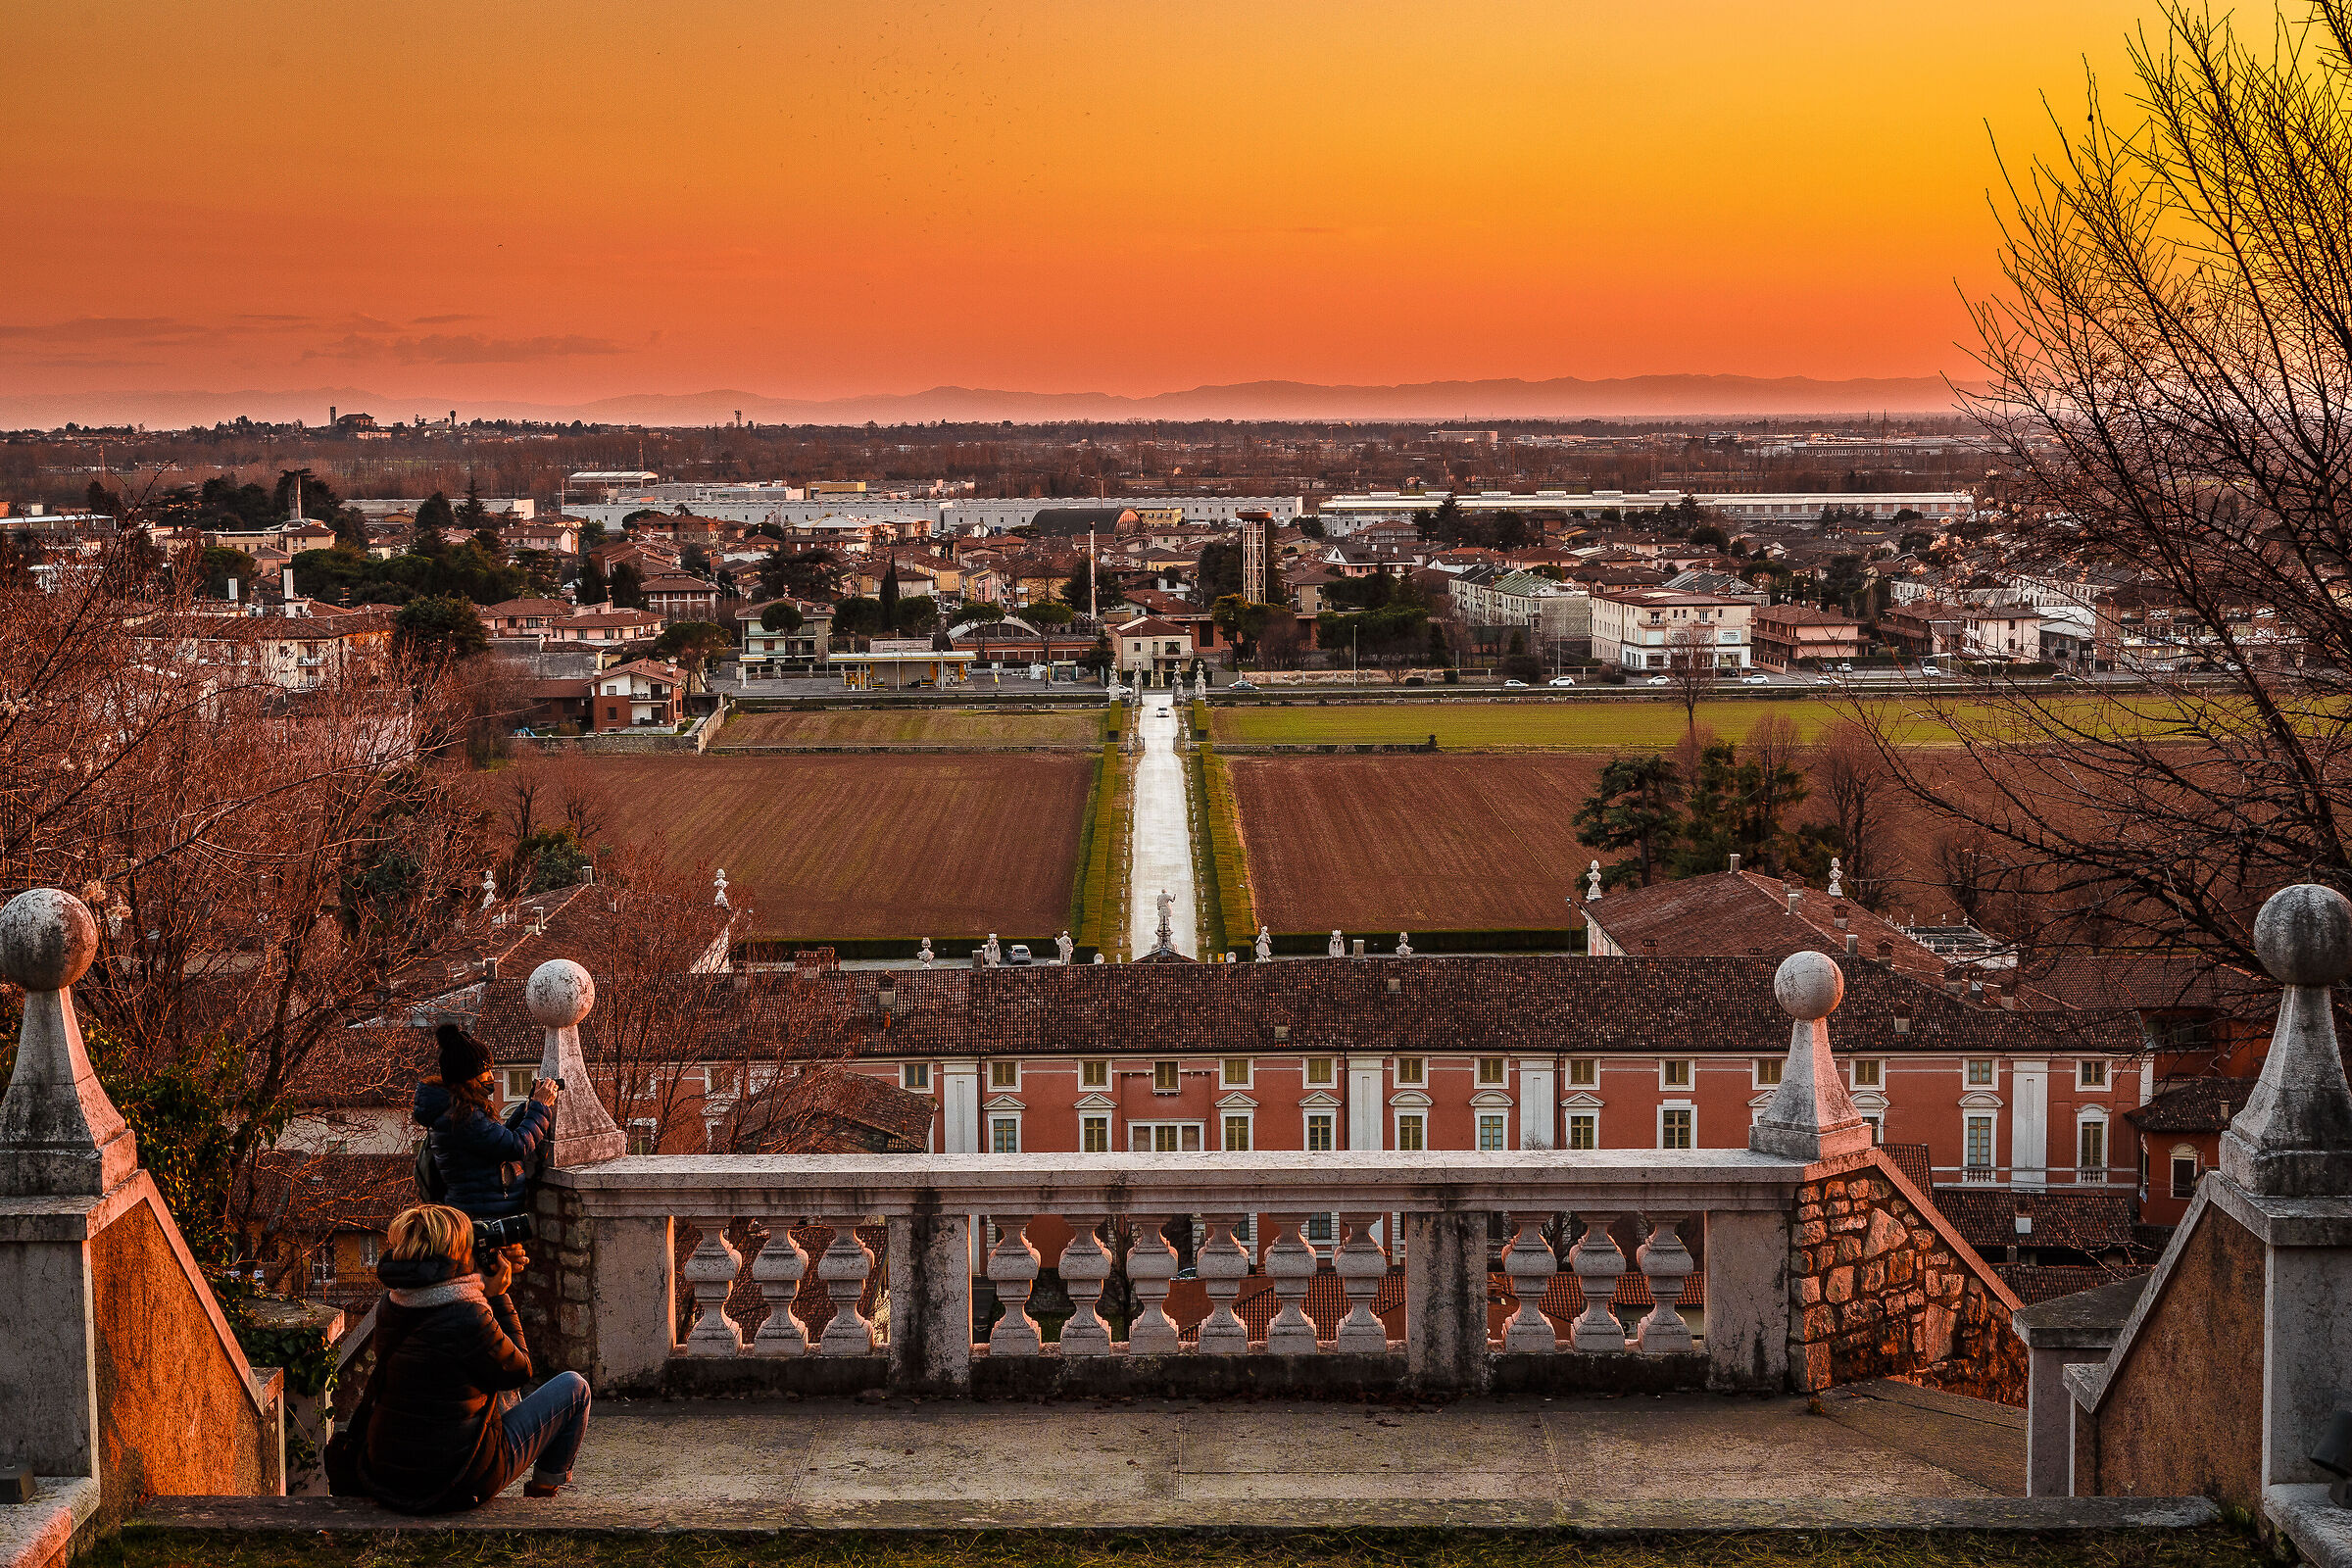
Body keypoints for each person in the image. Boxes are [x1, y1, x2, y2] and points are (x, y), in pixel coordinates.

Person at [362, 1203, 592, 1511]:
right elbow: (519, 1369)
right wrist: (495, 1294)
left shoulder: (393, 1302)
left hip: (392, 1475)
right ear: (455, 1250)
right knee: (575, 1389)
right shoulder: (466, 1313)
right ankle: (543, 1495)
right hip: (456, 1479)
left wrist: (477, 1285)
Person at [415, 1023, 556, 1226]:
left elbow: (496, 1139)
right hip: (485, 1219)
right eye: (485, 1071)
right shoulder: (464, 1116)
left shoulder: (455, 1109)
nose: (490, 1076)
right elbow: (517, 1146)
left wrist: (528, 1107)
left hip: (477, 1210)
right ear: (467, 1076)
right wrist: (540, 1107)